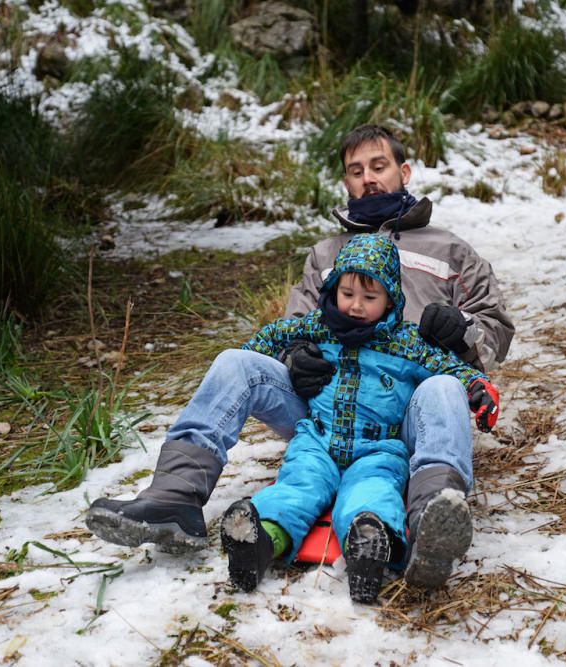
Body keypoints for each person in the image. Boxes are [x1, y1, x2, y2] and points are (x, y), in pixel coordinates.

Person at [86, 124, 515, 589]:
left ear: (403, 171)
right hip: (326, 413)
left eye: (379, 166)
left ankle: (432, 514)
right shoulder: (326, 254)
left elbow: (496, 326)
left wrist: (463, 333)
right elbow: (294, 327)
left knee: (443, 384)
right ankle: (174, 497)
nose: (369, 179)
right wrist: (296, 359)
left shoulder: (448, 249)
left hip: (409, 416)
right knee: (236, 362)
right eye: (356, 171)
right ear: (346, 181)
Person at [219, 233, 499, 603]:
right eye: (347, 293)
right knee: (297, 488)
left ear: (390, 300)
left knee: (372, 493)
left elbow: (448, 367)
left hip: (378, 448)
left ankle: (367, 544)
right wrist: (276, 357)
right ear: (334, 288)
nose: (355, 306)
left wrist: (478, 387)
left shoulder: (406, 341)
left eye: (370, 298)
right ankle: (260, 542)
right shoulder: (316, 327)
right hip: (316, 440)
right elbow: (269, 338)